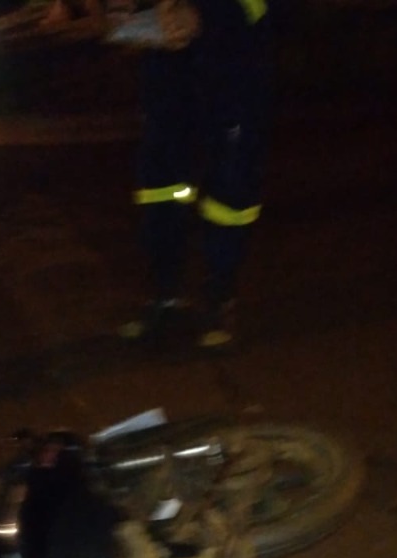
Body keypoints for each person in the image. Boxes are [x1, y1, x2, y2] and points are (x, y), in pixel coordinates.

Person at [117, 0, 279, 351]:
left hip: (233, 69)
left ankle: (220, 299)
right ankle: (165, 296)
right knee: (162, 188)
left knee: (228, 194)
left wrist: (206, 14)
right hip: (169, 71)